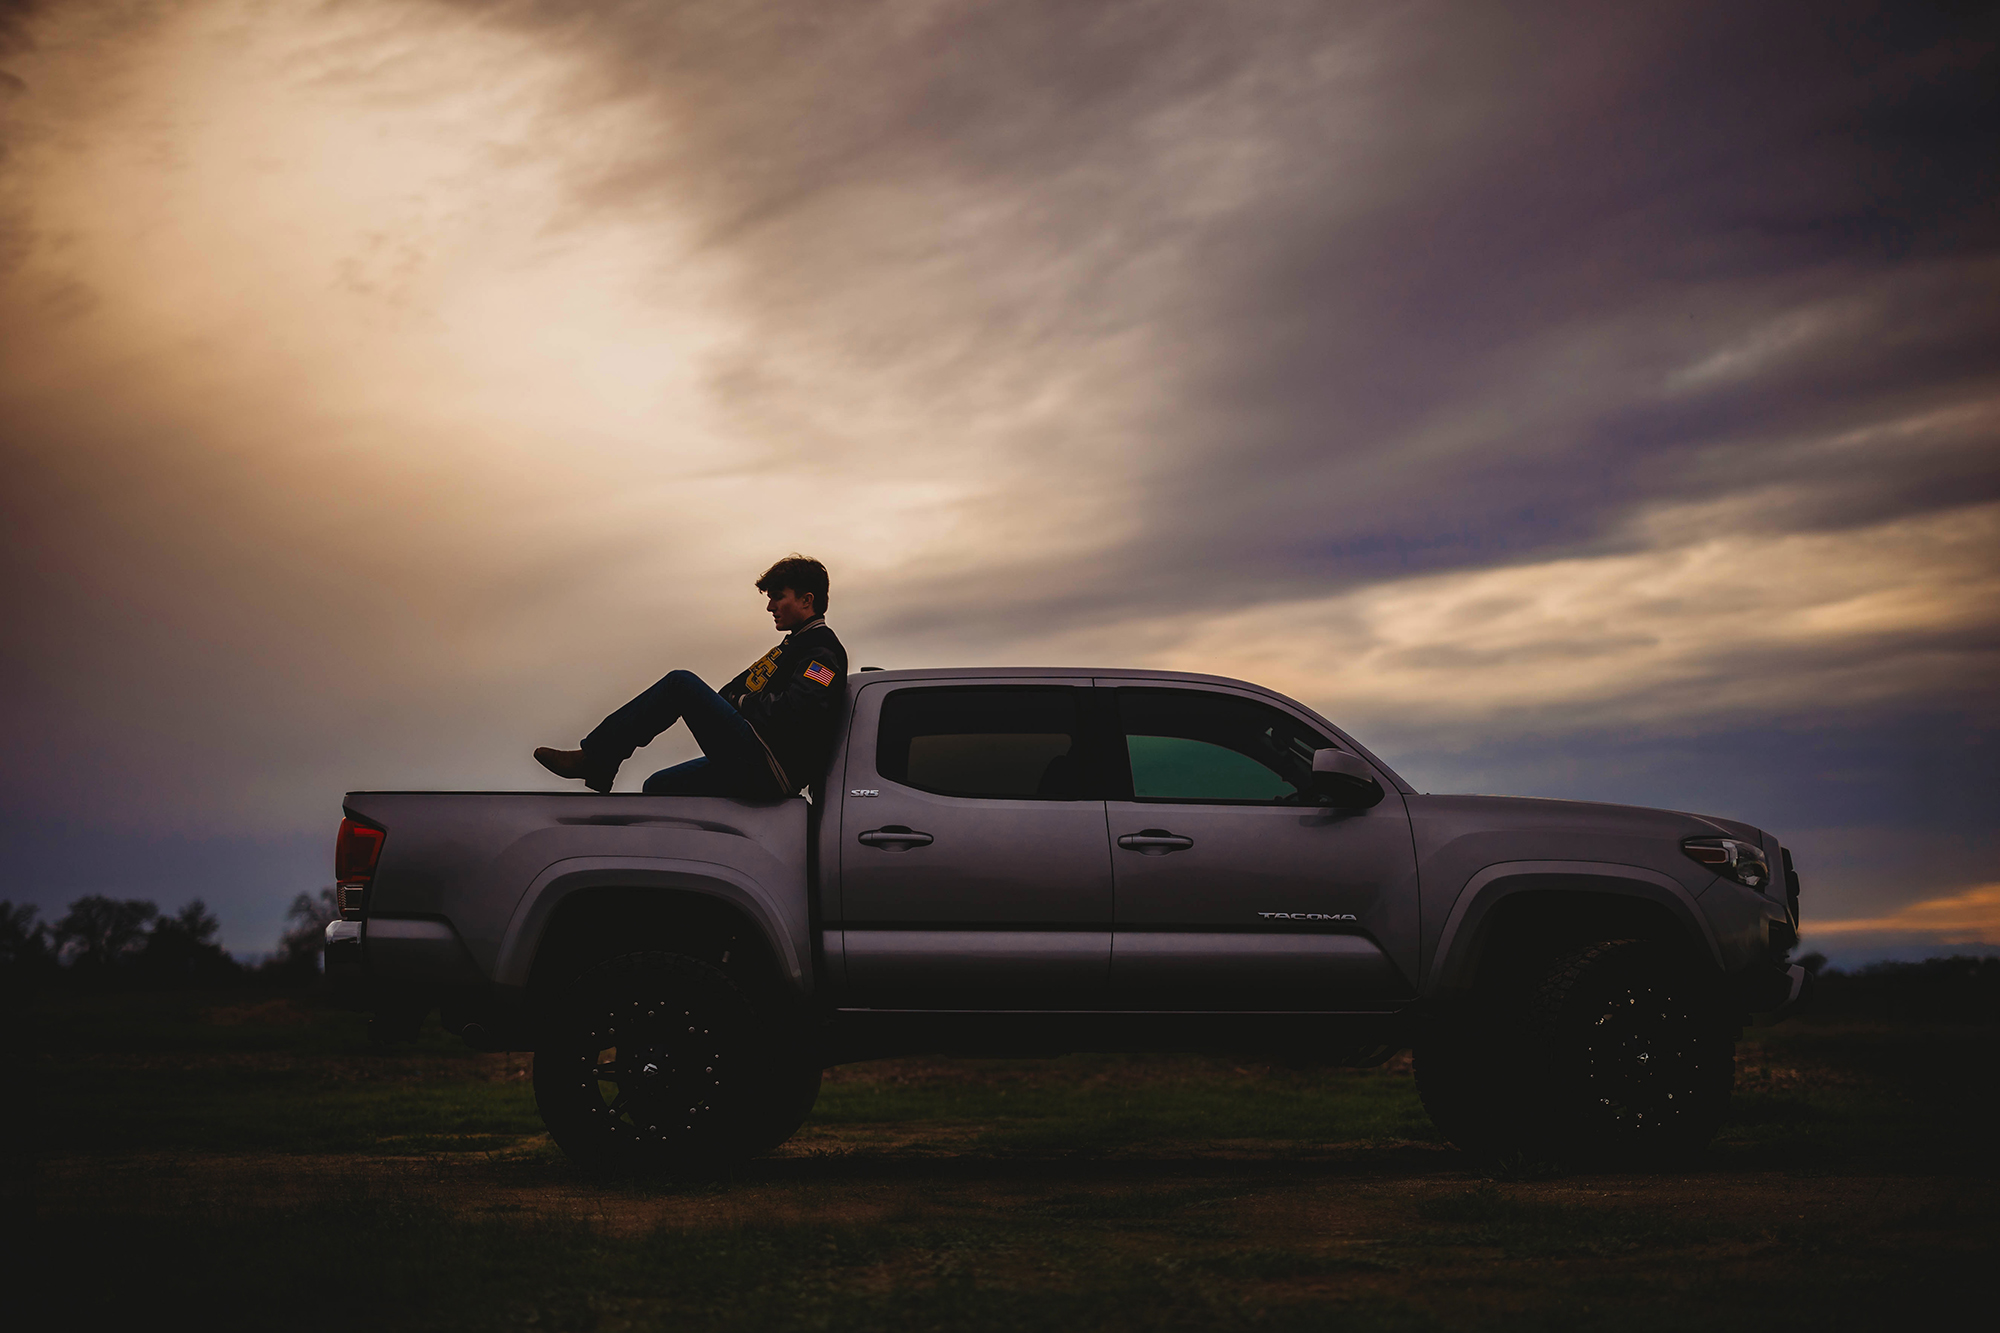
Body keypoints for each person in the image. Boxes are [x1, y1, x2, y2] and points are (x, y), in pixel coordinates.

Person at [534, 555, 848, 797]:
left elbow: (795, 711)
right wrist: (732, 700)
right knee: (659, 787)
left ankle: (595, 760)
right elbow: (735, 695)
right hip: (758, 757)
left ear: (807, 600)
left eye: (779, 597)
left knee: (679, 684)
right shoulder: (798, 643)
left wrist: (740, 701)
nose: (770, 606)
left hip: (770, 766)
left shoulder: (822, 650)